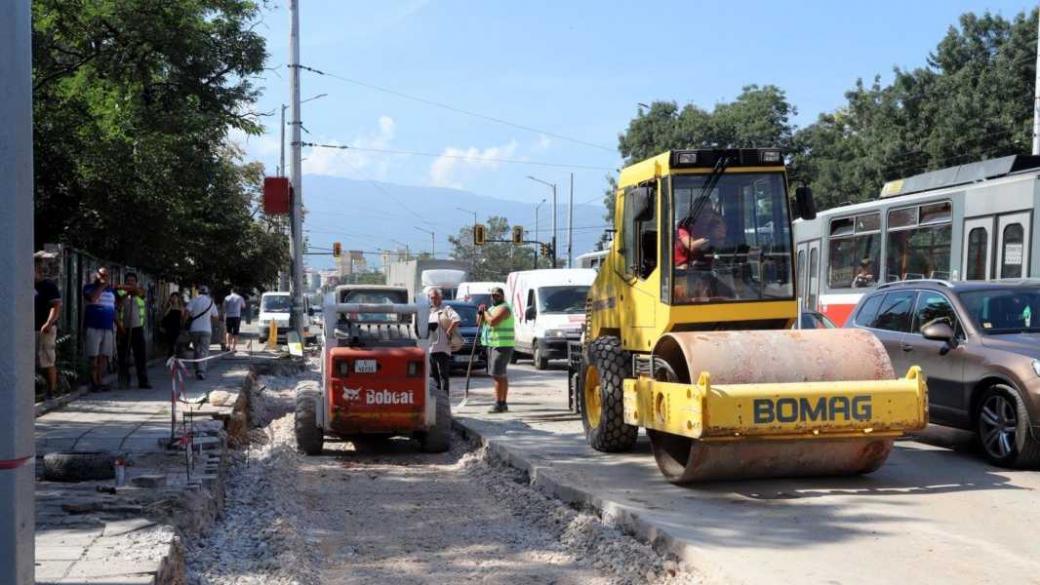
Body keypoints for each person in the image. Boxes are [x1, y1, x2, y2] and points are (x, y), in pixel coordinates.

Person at [479, 287, 514, 413]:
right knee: (500, 375)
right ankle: (502, 402)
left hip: (502, 345)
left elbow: (492, 322)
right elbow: (480, 323)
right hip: (493, 344)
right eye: (493, 295)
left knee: (497, 374)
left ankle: (499, 403)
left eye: (497, 296)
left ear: (502, 296)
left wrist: (486, 312)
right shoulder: (492, 309)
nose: (494, 298)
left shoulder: (504, 308)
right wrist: (480, 312)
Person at [83, 266, 117, 392]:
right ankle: (94, 382)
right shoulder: (90, 288)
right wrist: (102, 286)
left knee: (104, 356)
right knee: (94, 356)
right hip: (93, 326)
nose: (104, 277)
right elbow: (93, 298)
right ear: (96, 275)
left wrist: (118, 325)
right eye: (102, 275)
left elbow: (114, 308)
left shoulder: (111, 291)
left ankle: (100, 380)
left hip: (107, 327)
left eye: (106, 275)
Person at [116, 273, 151, 389]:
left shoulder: (140, 292)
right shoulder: (120, 293)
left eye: (133, 281)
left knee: (140, 356)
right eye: (128, 281)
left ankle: (143, 381)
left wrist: (131, 290)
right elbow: (118, 300)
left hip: (137, 329)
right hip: (123, 329)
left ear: (136, 282)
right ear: (125, 281)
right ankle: (124, 381)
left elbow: (141, 293)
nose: (130, 282)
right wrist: (126, 293)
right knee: (123, 356)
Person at [34, 252, 62, 399]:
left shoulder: (48, 286)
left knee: (47, 359)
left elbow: (55, 306)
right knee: (32, 360)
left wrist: (49, 322)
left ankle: (52, 390)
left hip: (46, 328)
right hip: (28, 329)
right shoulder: (25, 285)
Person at [427, 288, 461, 396]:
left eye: (436, 297)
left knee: (443, 375)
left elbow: (456, 319)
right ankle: (436, 397)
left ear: (441, 298)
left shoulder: (446, 309)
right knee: (434, 375)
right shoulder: (428, 311)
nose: (434, 300)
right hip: (430, 348)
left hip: (443, 348)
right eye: (432, 298)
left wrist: (449, 331)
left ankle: (445, 397)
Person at [184, 285, 219, 380]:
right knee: (204, 351)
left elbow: (186, 312)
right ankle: (201, 371)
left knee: (197, 349)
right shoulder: (211, 302)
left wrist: (184, 322)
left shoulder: (193, 300)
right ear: (207, 293)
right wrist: (209, 318)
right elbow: (216, 317)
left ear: (198, 292)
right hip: (206, 330)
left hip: (194, 329)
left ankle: (197, 368)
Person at [160, 291, 185, 358]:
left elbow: (182, 317)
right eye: (172, 297)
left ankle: (175, 355)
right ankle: (170, 355)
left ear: (178, 298)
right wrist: (170, 307)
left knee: (175, 341)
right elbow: (164, 315)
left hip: (176, 327)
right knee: (170, 342)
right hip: (169, 327)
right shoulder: (168, 306)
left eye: (175, 297)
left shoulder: (181, 307)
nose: (174, 299)